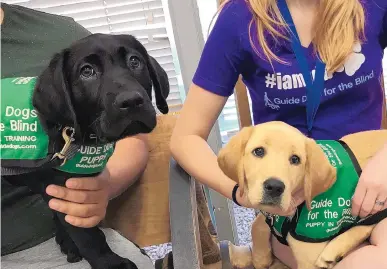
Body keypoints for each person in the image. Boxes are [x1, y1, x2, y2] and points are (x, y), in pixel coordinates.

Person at [170, 0, 387, 268]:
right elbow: (185, 138)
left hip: (372, 180)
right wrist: (241, 191)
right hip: (295, 206)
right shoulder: (240, 18)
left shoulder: (375, 6)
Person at [1, 3, 154, 268]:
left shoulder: (61, 35)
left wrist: (104, 185)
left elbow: (131, 138)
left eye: (133, 62)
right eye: (88, 71)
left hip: (43, 233)